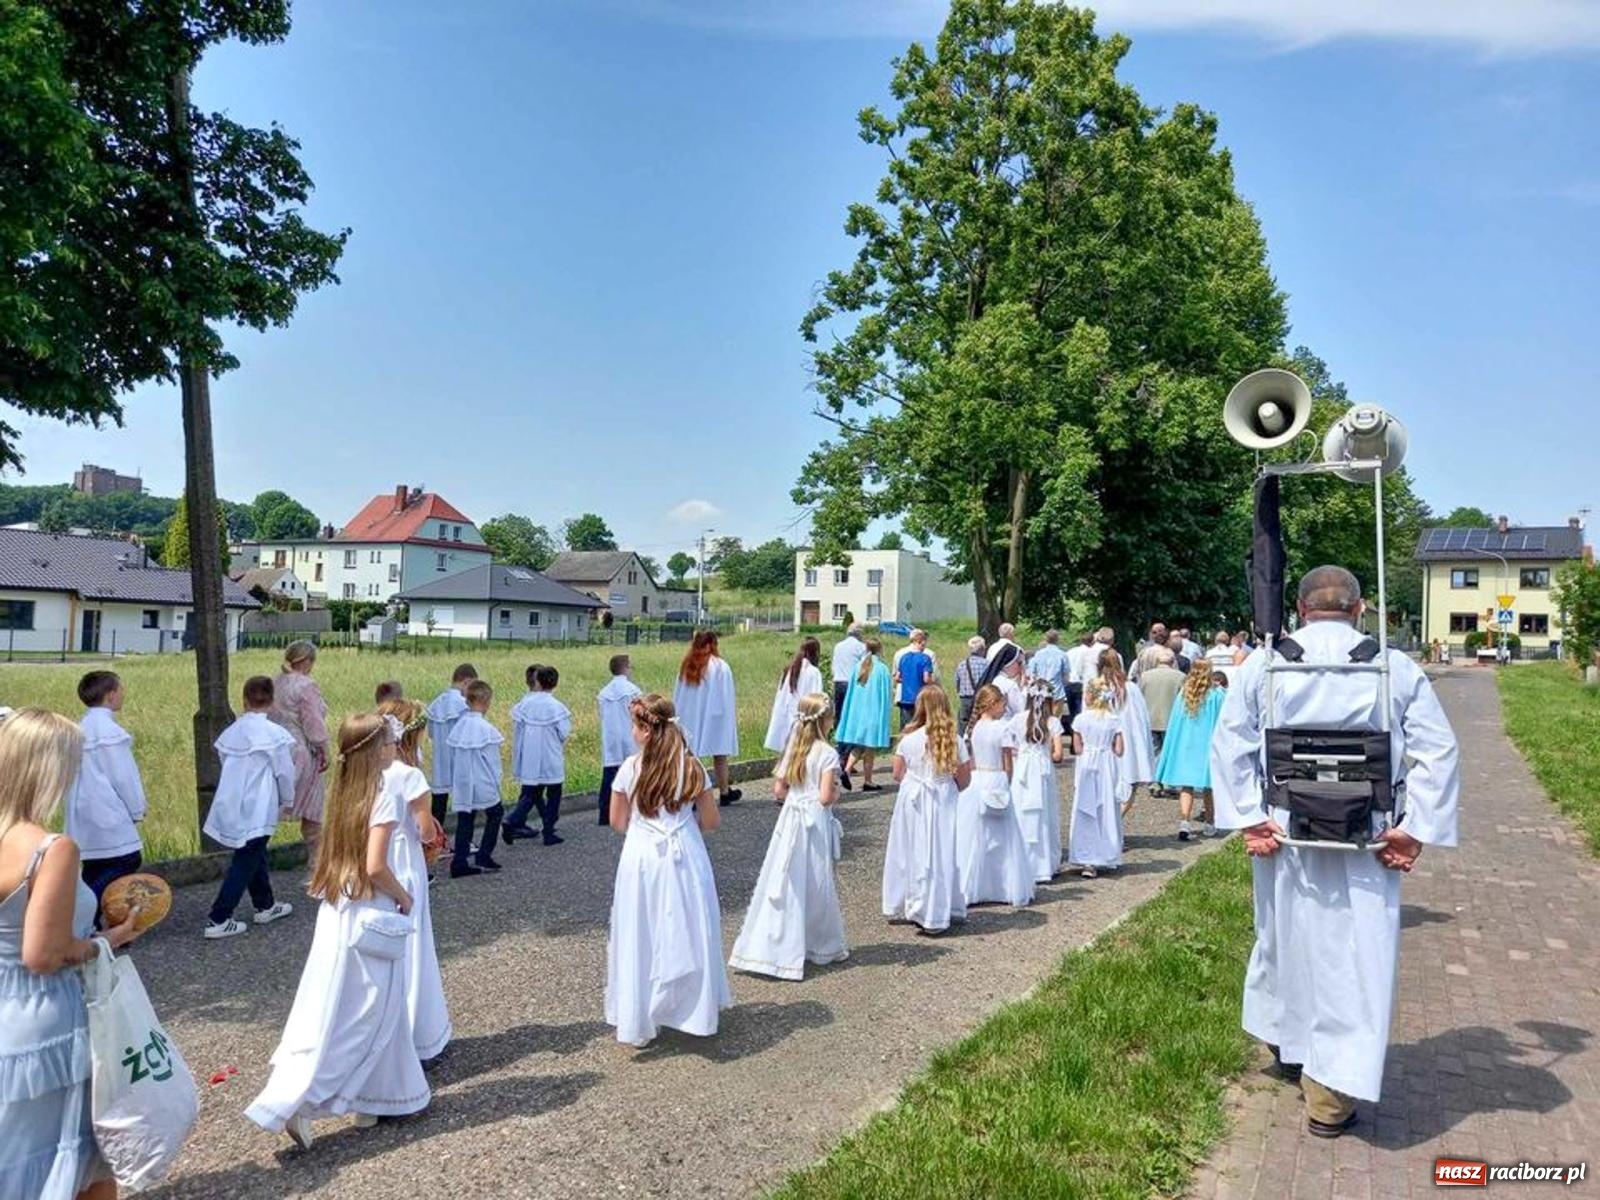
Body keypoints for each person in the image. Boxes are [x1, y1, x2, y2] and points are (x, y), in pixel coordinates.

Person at [1211, 565, 1460, 1139]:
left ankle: (1292, 1047)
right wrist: (1414, 828)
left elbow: (1231, 745)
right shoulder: (1391, 667)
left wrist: (1250, 819)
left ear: (1300, 609)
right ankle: (1328, 1090)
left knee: (1283, 939)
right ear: (1358, 608)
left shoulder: (1266, 666)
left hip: (1286, 834)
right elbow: (1437, 751)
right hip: (1364, 837)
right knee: (1354, 957)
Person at [247, 713, 429, 1148]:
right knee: (369, 1009)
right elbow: (375, 865)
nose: (394, 748)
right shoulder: (383, 794)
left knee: (347, 1003)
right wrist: (404, 896)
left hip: (341, 904)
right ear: (374, 749)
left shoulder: (346, 792)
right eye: (388, 742)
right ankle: (298, 1103)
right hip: (372, 904)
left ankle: (383, 1096)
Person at [1, 708, 145, 1200]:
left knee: (18, 1155)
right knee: (77, 1156)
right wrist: (109, 939)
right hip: (47, 1015)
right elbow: (43, 954)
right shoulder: (51, 848)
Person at [605, 695, 732, 1048]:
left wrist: (649, 827)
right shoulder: (692, 768)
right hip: (686, 856)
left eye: (635, 725)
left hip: (642, 857)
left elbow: (617, 821)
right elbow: (711, 820)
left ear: (647, 730)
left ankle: (641, 1015)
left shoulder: (630, 769)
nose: (632, 731)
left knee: (640, 930)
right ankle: (691, 1007)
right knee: (690, 927)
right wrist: (680, 824)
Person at [729, 693, 848, 980]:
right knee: (816, 880)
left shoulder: (794, 748)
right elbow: (824, 797)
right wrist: (835, 793)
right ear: (825, 721)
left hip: (791, 819)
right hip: (813, 822)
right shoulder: (827, 753)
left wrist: (798, 795)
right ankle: (819, 943)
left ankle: (773, 944)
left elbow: (779, 790)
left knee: (784, 879)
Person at [375, 700, 451, 1062]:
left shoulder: (372, 773)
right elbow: (423, 831)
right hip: (405, 858)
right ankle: (419, 1031)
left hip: (381, 856)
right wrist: (433, 830)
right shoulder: (410, 776)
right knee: (414, 941)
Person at [202, 676, 297, 939]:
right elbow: (285, 773)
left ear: (244, 701)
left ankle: (264, 904)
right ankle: (219, 917)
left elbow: (224, 760)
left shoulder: (232, 732)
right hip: (260, 804)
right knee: (246, 858)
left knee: (254, 852)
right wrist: (288, 800)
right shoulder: (275, 735)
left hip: (232, 801)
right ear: (272, 701)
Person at [884, 685, 971, 934]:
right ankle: (940, 907)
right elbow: (965, 781)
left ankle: (912, 903)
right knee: (941, 853)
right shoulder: (954, 740)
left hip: (913, 798)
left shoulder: (908, 739)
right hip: (942, 798)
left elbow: (897, 774)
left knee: (912, 850)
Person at [67, 671, 147, 908]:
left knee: (95, 864)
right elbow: (123, 777)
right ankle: (82, 915)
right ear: (110, 695)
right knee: (127, 859)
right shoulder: (110, 733)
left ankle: (97, 922)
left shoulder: (78, 730)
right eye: (120, 690)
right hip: (107, 810)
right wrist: (137, 809)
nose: (123, 694)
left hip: (81, 812)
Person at [955, 685, 1034, 907]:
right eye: (1001, 702)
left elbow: (971, 759)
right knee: (1002, 837)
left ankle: (974, 885)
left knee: (975, 836)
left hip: (978, 778)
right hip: (997, 778)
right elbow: (1008, 763)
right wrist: (1007, 782)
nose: (1004, 706)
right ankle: (1002, 885)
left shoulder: (975, 727)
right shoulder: (1003, 729)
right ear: (992, 704)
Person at [1154, 653, 1227, 840]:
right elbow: (1223, 721)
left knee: (1186, 786)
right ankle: (1210, 823)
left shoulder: (1184, 694)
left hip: (1187, 745)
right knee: (1209, 787)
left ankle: (1184, 822)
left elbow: (1176, 722)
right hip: (1208, 745)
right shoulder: (1217, 695)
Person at [272, 641, 330, 860]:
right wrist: (324, 749)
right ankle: (319, 868)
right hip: (301, 751)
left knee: (270, 807)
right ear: (307, 661)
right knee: (312, 815)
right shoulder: (306, 686)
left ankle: (251, 858)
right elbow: (313, 723)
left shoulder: (276, 682)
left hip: (277, 748)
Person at [506, 665, 571, 846]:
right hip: (550, 756)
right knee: (553, 794)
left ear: (538, 682)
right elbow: (564, 732)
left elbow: (518, 728)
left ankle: (512, 819)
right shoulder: (557, 707)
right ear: (554, 683)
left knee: (531, 793)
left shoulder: (524, 704)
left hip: (529, 756)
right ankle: (549, 832)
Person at [674, 630, 742, 806]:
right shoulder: (720, 666)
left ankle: (691, 794)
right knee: (720, 754)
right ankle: (724, 792)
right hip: (716, 717)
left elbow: (679, 695)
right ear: (713, 644)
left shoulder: (687, 666)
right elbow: (727, 695)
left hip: (690, 716)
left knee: (691, 754)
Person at [1008, 681, 1064, 883]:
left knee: (1022, 813)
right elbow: (1058, 755)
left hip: (1023, 770)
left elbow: (1009, 745)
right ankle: (1045, 863)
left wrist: (1023, 751)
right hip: (1042, 771)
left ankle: (1022, 862)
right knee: (1045, 814)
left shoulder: (1017, 719)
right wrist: (1044, 750)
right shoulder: (1052, 723)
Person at [1068, 685, 1127, 879]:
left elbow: (1077, 749)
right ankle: (1107, 853)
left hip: (1087, 762)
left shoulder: (1080, 719)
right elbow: (1119, 750)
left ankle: (1087, 857)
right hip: (1106, 764)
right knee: (1107, 807)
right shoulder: (1113, 720)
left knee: (1086, 807)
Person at [447, 680, 505, 878]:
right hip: (483, 780)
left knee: (466, 818)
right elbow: (493, 762)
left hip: (463, 781)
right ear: (486, 701)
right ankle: (484, 854)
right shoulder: (485, 728)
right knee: (495, 813)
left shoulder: (460, 726)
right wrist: (498, 782)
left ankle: (460, 860)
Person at [1098, 649, 1155, 816]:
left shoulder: (1097, 687)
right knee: (1129, 784)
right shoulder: (1130, 688)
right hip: (1127, 741)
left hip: (1105, 740)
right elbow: (1142, 719)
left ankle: (1110, 823)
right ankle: (1114, 822)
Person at [835, 637, 892, 791]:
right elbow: (885, 694)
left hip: (858, 714)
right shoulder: (882, 669)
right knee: (870, 748)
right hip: (873, 713)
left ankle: (847, 770)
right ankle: (868, 780)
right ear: (879, 649)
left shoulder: (858, 667)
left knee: (859, 745)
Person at [425, 664, 478, 830]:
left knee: (439, 803)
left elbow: (432, 734)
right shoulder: (464, 705)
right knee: (464, 803)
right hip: (460, 760)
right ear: (466, 682)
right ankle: (464, 841)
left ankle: (435, 844)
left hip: (440, 759)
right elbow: (469, 734)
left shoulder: (436, 703)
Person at [597, 655, 643, 827]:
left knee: (609, 773)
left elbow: (601, 714)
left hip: (610, 736)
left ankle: (605, 812)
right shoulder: (633, 691)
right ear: (625, 668)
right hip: (628, 734)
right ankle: (635, 809)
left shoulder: (603, 692)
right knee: (635, 772)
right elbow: (639, 715)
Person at [763, 637, 824, 754]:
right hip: (804, 719)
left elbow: (781, 697)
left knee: (788, 755)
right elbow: (817, 699)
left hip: (788, 717)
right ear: (815, 653)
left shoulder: (790, 669)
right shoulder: (813, 672)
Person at [1138, 647, 1184, 758]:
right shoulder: (1181, 676)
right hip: (1171, 719)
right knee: (1169, 752)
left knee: (1152, 752)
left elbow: (1139, 696)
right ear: (1173, 661)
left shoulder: (1145, 676)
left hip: (1150, 718)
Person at [892, 630, 935, 728]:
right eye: (924, 644)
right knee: (920, 726)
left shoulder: (904, 657)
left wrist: (907, 680)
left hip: (905, 698)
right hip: (920, 697)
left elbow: (897, 678)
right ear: (920, 642)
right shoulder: (925, 658)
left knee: (906, 727)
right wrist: (933, 685)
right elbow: (926, 679)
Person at [829, 624, 868, 724]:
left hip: (838, 681)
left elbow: (833, 665)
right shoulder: (861, 647)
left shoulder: (838, 646)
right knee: (852, 713)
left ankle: (837, 734)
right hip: (853, 683)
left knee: (839, 712)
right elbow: (864, 668)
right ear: (859, 634)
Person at [978, 641, 1027, 717]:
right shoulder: (1009, 685)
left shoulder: (995, 679)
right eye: (1019, 663)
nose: (1021, 668)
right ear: (1010, 663)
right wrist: (1025, 687)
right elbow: (1022, 710)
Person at [1028, 630, 1070, 711]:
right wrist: (1064, 685)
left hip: (1042, 690)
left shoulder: (1038, 654)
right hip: (1057, 691)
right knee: (1055, 720)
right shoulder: (1062, 655)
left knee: (1042, 718)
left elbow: (1032, 673)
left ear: (1046, 640)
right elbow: (1066, 675)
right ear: (1058, 639)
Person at [953, 636, 989, 730]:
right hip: (981, 698)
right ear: (983, 649)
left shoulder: (962, 664)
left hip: (965, 700)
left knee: (963, 724)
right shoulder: (987, 664)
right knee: (981, 724)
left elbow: (957, 683)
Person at [1064, 633, 1098, 723]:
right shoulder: (1091, 652)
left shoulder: (1070, 651)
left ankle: (1073, 734)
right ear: (1093, 641)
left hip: (1069, 683)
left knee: (1072, 712)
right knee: (1081, 711)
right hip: (1081, 683)